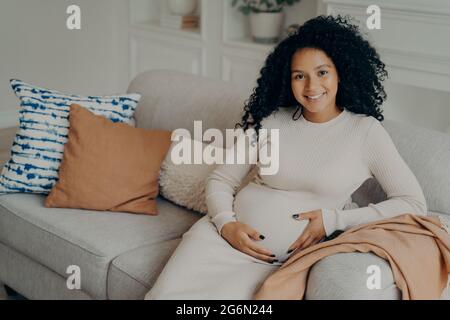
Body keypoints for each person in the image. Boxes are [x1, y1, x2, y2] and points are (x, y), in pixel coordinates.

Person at [145, 15, 427, 300]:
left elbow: (413, 203)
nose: (311, 87)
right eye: (299, 76)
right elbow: (221, 179)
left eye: (322, 72)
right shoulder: (270, 120)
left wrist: (334, 220)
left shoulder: (365, 132)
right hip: (217, 240)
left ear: (341, 72)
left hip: (277, 263)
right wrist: (226, 223)